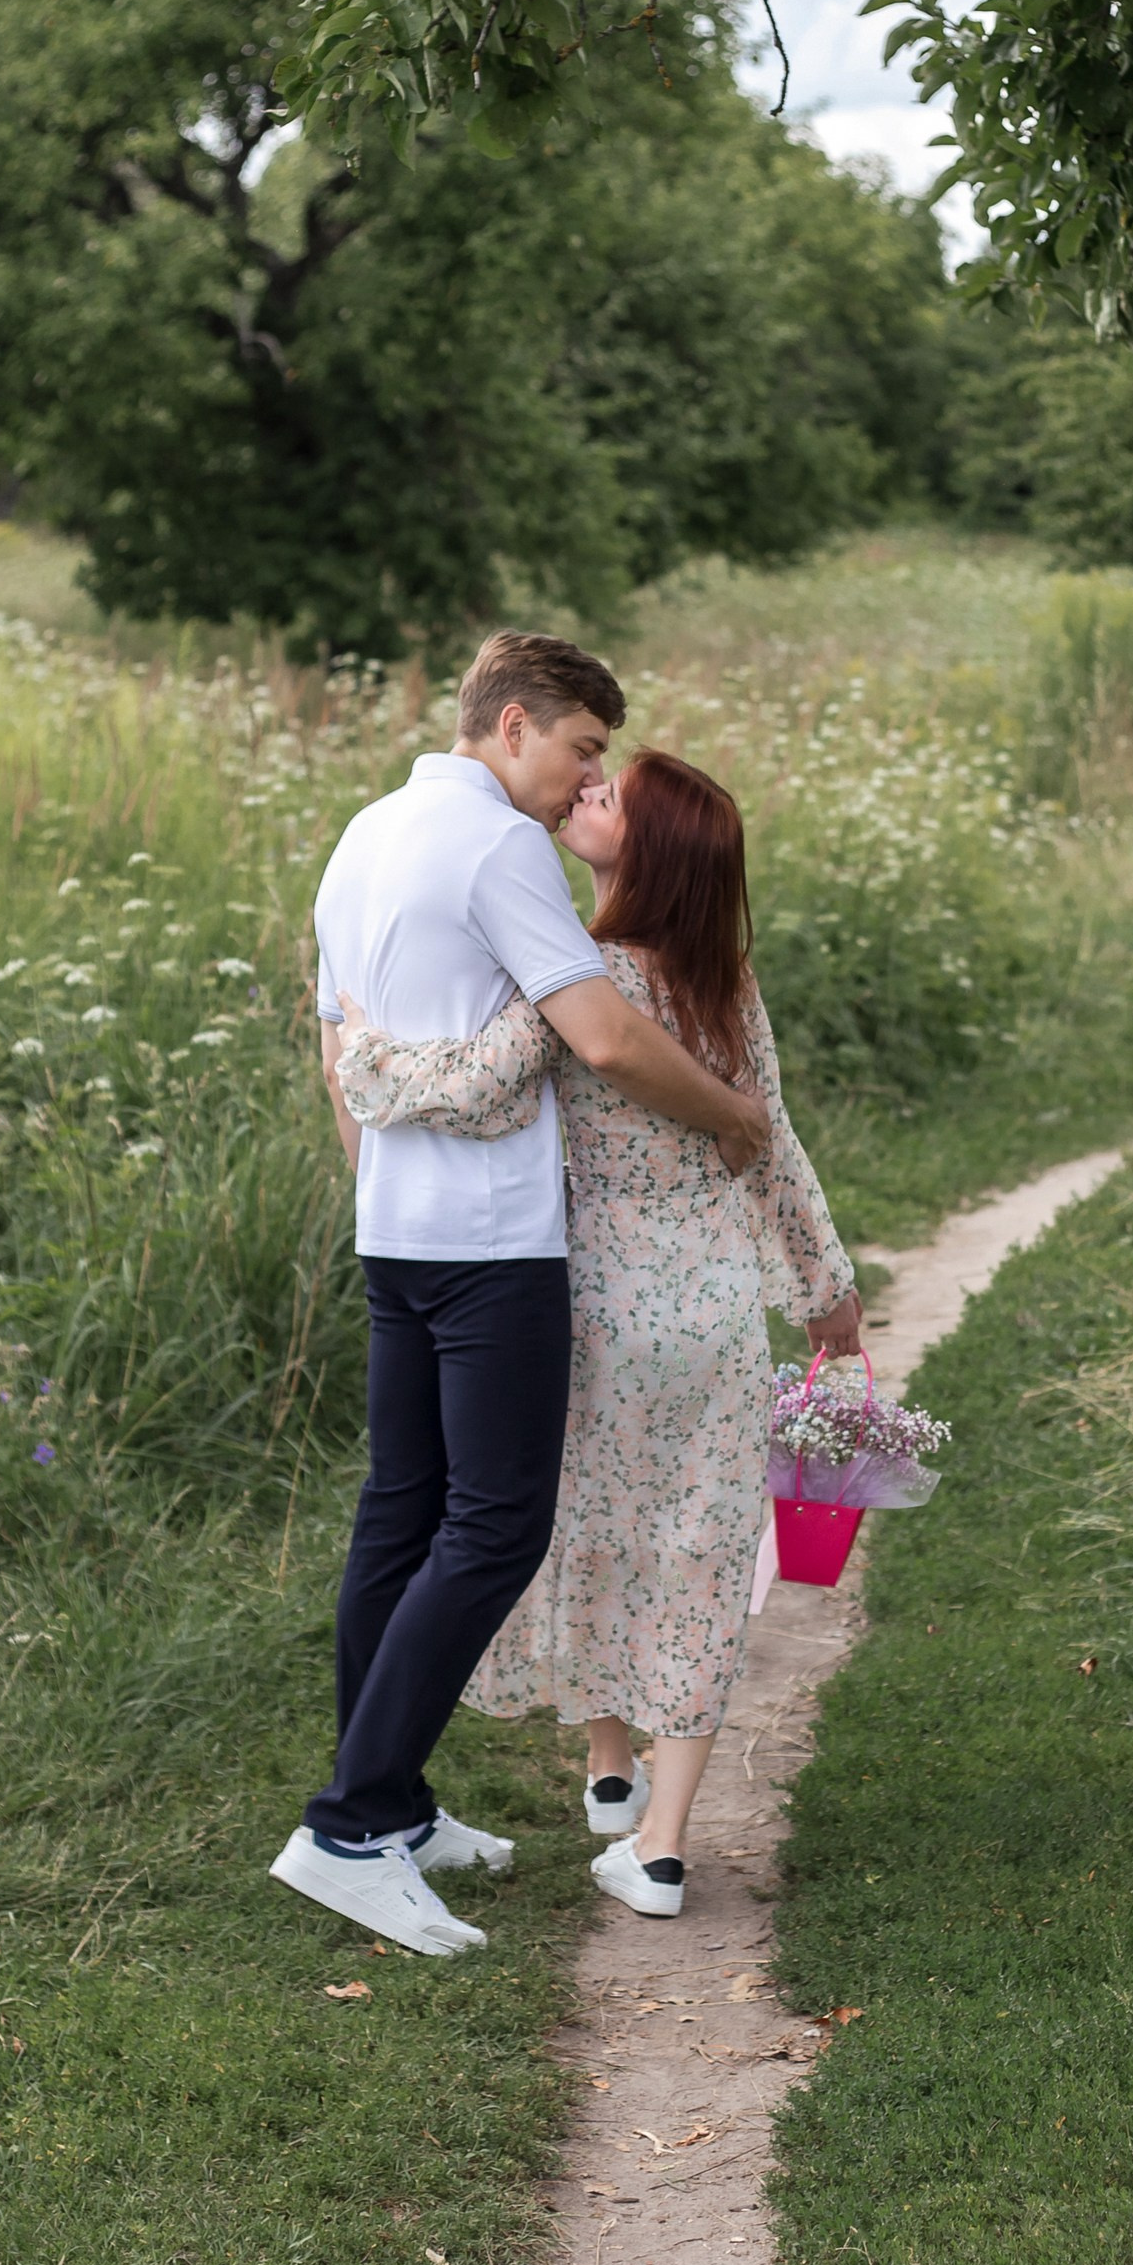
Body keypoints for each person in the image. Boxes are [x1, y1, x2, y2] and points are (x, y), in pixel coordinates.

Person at [271, 635, 771, 1962]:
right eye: (580, 749)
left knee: (400, 1514)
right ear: (510, 726)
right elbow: (603, 1033)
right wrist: (734, 1116)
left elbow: (336, 1049)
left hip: (395, 1231)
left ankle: (393, 1800)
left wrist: (382, 1192)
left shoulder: (361, 835)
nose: (582, 780)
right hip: (495, 1246)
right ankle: (350, 1827)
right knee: (494, 1527)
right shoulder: (500, 848)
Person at [335, 747, 859, 1920]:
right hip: (715, 1311)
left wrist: (356, 1045)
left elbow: (477, 1085)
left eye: (611, 794)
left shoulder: (578, 977)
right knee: (695, 1553)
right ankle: (656, 1839)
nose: (587, 790)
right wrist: (828, 1286)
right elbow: (770, 1137)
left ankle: (609, 1762)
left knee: (590, 1529)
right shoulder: (725, 979)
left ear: (649, 848)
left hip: (596, 1306)